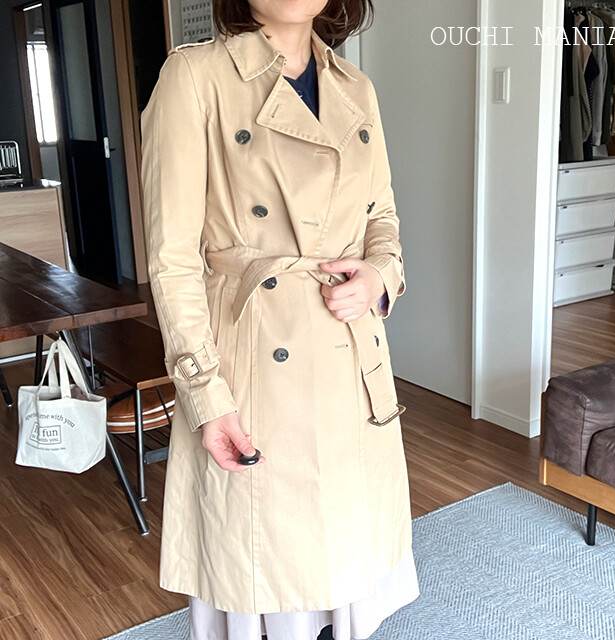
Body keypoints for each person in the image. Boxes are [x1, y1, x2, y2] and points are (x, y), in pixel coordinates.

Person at [139, 1, 419, 639]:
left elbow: (382, 217)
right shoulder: (195, 76)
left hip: (351, 358)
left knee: (348, 564)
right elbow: (173, 260)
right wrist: (205, 394)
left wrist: (379, 276)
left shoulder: (356, 88)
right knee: (268, 576)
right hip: (253, 365)